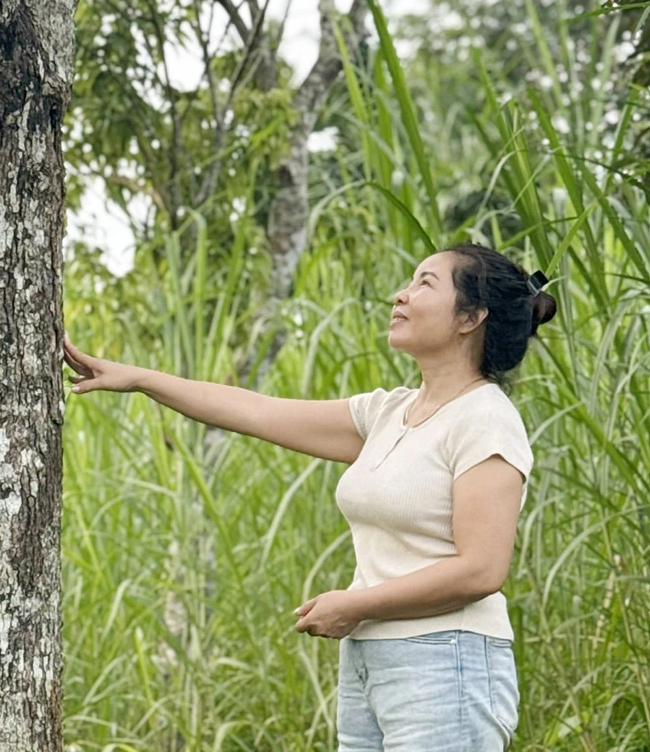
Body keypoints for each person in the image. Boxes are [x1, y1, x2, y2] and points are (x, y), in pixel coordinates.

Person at [62, 241, 557, 751]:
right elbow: (254, 411)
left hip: (447, 661)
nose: (400, 296)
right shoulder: (388, 413)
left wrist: (356, 605)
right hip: (370, 661)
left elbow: (482, 569)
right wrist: (141, 379)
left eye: (424, 284)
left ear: (471, 317)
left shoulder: (485, 417)